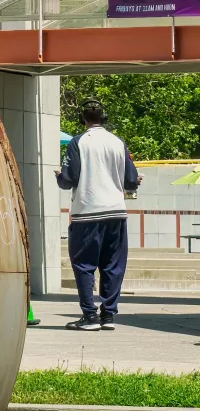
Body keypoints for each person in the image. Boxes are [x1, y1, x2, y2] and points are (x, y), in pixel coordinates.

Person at [56, 100, 140, 331]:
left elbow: (68, 179)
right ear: (104, 117)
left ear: (82, 119)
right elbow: (131, 180)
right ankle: (109, 316)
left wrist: (59, 177)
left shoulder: (78, 143)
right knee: (113, 264)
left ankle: (90, 316)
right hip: (116, 212)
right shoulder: (117, 142)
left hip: (87, 214)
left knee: (84, 264)